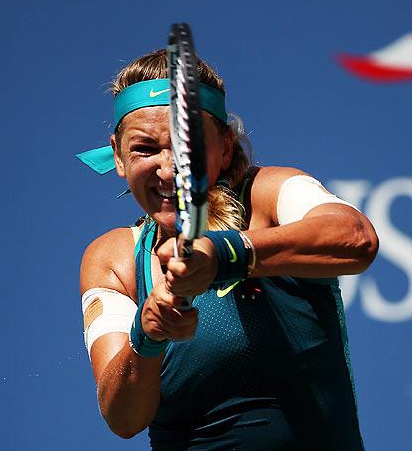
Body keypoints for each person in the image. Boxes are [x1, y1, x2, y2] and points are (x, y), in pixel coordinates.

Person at [78, 49, 378, 450]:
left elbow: (355, 238)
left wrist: (226, 254)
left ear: (223, 146)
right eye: (145, 150)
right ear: (117, 155)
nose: (169, 170)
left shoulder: (270, 194)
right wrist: (147, 335)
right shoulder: (113, 259)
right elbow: (123, 417)